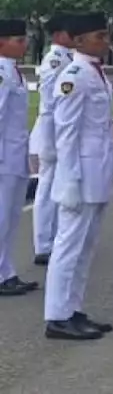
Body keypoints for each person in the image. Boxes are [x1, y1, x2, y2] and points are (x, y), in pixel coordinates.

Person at [45, 12, 113, 340]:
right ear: (77, 41)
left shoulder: (95, 73)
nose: (105, 41)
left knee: (86, 247)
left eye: (105, 35)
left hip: (97, 171)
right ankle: (57, 317)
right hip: (80, 176)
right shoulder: (73, 75)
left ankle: (73, 309)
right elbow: (67, 133)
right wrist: (69, 181)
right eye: (98, 36)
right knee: (68, 246)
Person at [30, 13, 73, 267]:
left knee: (56, 184)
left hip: (58, 129)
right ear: (58, 35)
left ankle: (54, 238)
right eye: (70, 32)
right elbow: (52, 99)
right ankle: (43, 243)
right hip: (51, 129)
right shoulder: (55, 60)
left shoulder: (66, 58)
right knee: (46, 187)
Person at [0, 18, 37, 297]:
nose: (24, 45)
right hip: (3, 159)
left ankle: (7, 271)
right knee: (2, 217)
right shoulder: (2, 73)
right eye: (19, 40)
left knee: (11, 218)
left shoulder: (14, 72)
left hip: (15, 155)